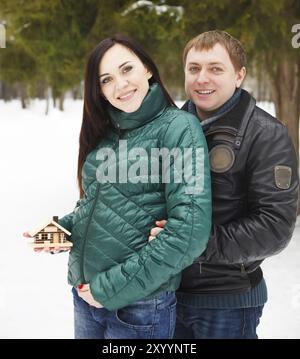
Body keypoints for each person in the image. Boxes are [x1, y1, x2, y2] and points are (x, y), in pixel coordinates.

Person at [24, 34, 211, 339]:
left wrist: (109, 289)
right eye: (106, 79)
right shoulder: (106, 133)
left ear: (147, 69)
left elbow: (188, 233)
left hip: (140, 306)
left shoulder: (178, 128)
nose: (120, 85)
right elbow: (100, 209)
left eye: (127, 70)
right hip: (87, 300)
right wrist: (61, 230)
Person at [149, 30, 299, 339]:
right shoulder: (167, 130)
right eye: (194, 69)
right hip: (166, 296)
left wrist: (192, 243)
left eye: (215, 68)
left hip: (226, 303)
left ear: (239, 75)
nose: (202, 78)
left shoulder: (266, 134)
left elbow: (274, 228)